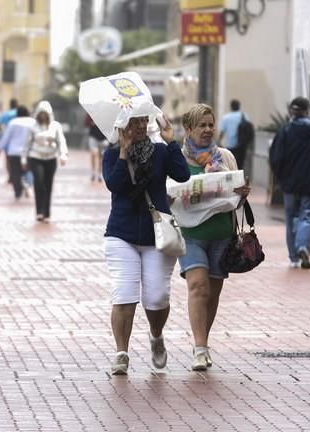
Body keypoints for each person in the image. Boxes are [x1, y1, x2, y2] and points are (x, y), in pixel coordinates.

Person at [102, 114, 190, 375]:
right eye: (133, 122)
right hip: (121, 233)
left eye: (142, 121)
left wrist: (171, 142)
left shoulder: (161, 152)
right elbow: (115, 184)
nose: (139, 126)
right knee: (123, 294)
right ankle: (121, 353)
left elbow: (183, 175)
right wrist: (124, 154)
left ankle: (156, 335)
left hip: (157, 235)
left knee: (156, 296)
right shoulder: (112, 155)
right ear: (121, 128)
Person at [175, 103, 249, 371]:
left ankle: (202, 343)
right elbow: (168, 194)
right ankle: (200, 348)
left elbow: (236, 202)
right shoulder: (178, 159)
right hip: (191, 235)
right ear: (188, 129)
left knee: (213, 294)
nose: (207, 130)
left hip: (221, 235)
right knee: (198, 287)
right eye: (201, 125)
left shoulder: (225, 157)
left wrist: (242, 193)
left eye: (210, 124)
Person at [269, 97, 310, 269]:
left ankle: (294, 257)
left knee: (291, 218)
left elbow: (275, 159)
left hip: (289, 186)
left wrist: (280, 180)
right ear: (307, 111)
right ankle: (303, 246)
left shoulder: (284, 131)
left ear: (292, 112)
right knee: (307, 215)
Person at [22, 101, 68, 222]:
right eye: (41, 114)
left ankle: (47, 213)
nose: (43, 116)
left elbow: (61, 141)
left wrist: (63, 154)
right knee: (39, 183)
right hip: (36, 157)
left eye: (45, 114)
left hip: (51, 158)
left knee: (48, 184)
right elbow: (27, 143)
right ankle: (39, 212)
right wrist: (23, 158)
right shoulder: (32, 126)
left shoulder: (55, 126)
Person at [0, 106, 35, 200]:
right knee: (29, 170)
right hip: (29, 152)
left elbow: (6, 137)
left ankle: (18, 192)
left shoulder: (13, 122)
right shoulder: (33, 122)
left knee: (15, 173)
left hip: (14, 152)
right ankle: (28, 185)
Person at [219, 99, 251, 169]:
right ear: (239, 106)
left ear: (231, 107)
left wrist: (219, 142)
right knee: (240, 166)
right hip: (241, 146)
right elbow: (249, 129)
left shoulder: (226, 117)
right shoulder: (244, 116)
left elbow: (222, 132)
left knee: (230, 166)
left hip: (230, 146)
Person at [85, 114, 108, 182]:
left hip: (103, 137)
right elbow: (86, 123)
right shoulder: (91, 111)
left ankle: (99, 173)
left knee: (101, 156)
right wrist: (92, 123)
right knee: (94, 153)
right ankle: (93, 172)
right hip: (93, 136)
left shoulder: (106, 113)